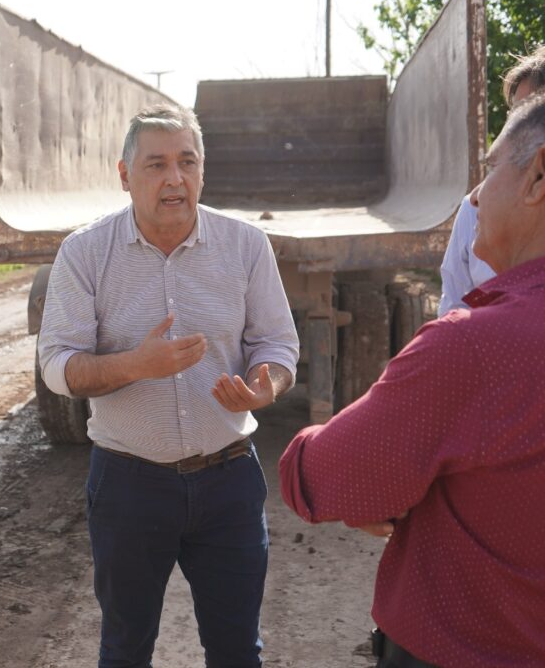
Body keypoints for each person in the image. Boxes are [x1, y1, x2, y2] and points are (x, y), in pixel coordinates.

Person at [280, 93, 545, 668]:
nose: (474, 196)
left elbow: (326, 475)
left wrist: (305, 449)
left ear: (537, 178)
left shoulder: (474, 345)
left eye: (490, 169)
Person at [38, 104, 299, 667]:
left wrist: (264, 388)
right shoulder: (84, 253)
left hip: (228, 478)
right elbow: (58, 366)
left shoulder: (246, 246)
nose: (174, 178)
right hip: (129, 487)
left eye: (187, 162)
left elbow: (278, 346)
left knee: (237, 651)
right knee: (126, 649)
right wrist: (136, 365)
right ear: (124, 175)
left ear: (203, 171)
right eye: (156, 164)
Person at [438, 44, 545, 315]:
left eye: (535, 113)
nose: (522, 125)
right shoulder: (475, 212)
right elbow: (453, 309)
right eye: (517, 113)